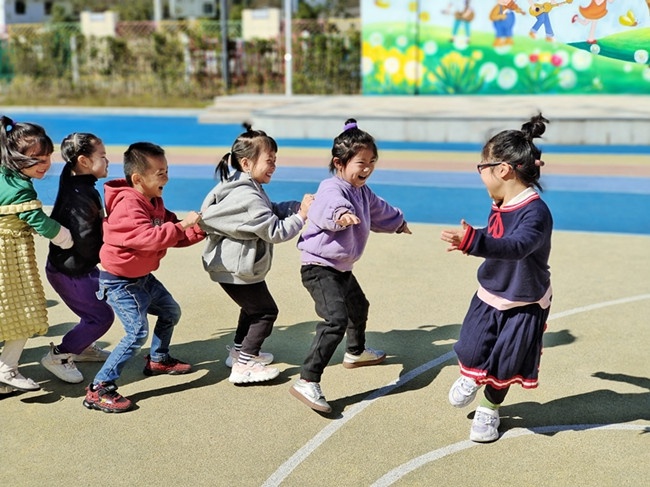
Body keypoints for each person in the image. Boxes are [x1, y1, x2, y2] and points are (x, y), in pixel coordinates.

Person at [440, 113, 553, 443]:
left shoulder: (536, 211)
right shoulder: (500, 202)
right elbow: (497, 234)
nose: (480, 173)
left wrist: (475, 243)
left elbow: (517, 246)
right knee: (471, 347)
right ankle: (472, 376)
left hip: (525, 300)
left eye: (482, 167)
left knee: (507, 361)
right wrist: (475, 236)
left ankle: (489, 410)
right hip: (491, 292)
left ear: (502, 170)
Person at [290, 118, 411, 414]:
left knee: (359, 307)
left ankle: (355, 352)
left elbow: (379, 207)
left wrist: (397, 222)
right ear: (339, 163)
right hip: (319, 267)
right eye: (361, 162)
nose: (367, 168)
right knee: (335, 319)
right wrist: (341, 215)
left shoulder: (362, 191)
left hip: (342, 268)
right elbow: (327, 206)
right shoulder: (332, 187)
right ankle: (308, 379)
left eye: (372, 161)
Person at [83, 142, 204, 413]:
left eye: (167, 170)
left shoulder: (154, 201)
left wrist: (199, 230)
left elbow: (172, 235)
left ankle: (158, 359)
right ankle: (99, 388)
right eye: (160, 172)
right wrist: (183, 224)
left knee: (170, 311)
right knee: (136, 332)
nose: (166, 178)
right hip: (119, 281)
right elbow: (147, 238)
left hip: (142, 276)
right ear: (138, 178)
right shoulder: (128, 204)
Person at [199, 124, 313, 384]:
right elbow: (275, 231)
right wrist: (302, 216)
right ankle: (245, 364)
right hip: (236, 268)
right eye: (269, 160)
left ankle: (239, 352)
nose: (274, 165)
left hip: (233, 265)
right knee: (265, 312)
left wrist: (293, 207)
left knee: (252, 309)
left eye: (275, 160)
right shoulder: (247, 195)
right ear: (247, 163)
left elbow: (269, 209)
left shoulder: (242, 185)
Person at [0, 116, 74, 394]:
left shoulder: (3, 175)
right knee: (21, 311)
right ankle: (7, 368)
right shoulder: (20, 188)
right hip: (9, 259)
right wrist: (65, 237)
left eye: (48, 158)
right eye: (37, 160)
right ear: (16, 157)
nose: (46, 165)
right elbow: (38, 220)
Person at [40, 133, 115, 384]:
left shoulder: (75, 181)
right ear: (83, 161)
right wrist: (111, 256)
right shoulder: (80, 194)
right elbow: (85, 238)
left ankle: (82, 346)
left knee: (95, 306)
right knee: (101, 317)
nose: (107, 161)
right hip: (70, 270)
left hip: (76, 266)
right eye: (102, 157)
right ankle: (59, 355)